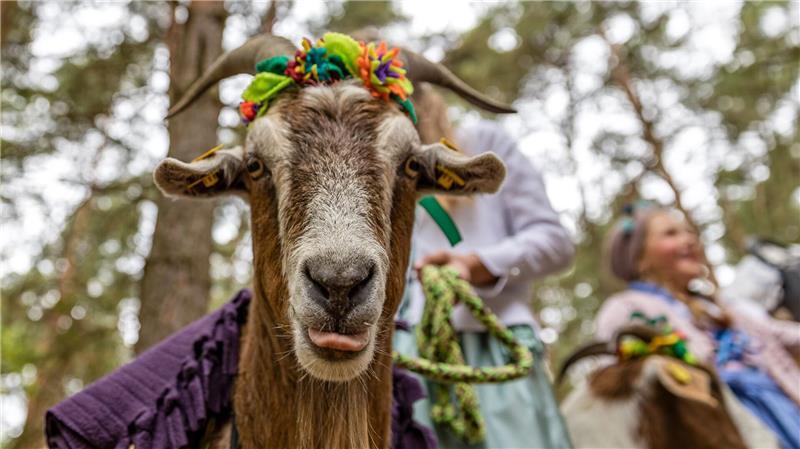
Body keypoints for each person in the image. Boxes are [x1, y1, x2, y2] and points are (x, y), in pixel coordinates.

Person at [394, 84, 575, 449]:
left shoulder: (481, 143)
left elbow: (554, 241)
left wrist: (478, 265)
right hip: (396, 367)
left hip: (491, 350)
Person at [596, 202, 800, 449]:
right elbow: (619, 377)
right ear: (638, 257)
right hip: (713, 425)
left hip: (781, 409)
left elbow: (776, 333)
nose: (690, 239)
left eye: (689, 231)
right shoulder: (627, 308)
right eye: (671, 233)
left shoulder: (717, 306)